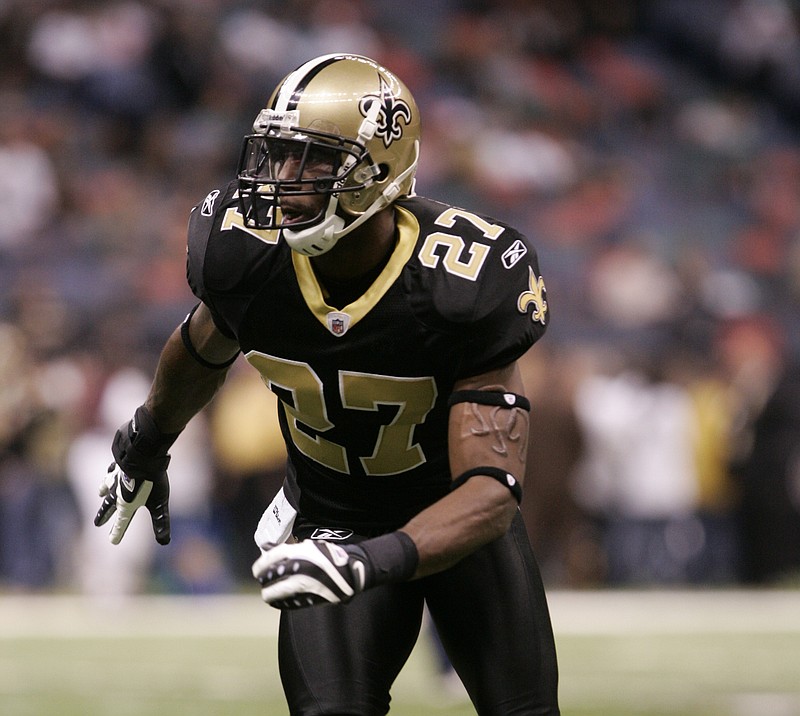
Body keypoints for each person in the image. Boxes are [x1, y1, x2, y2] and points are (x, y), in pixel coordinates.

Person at [94, 53, 559, 715]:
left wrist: (375, 563)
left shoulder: (463, 282)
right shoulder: (246, 257)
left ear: (380, 169)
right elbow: (201, 347)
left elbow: (490, 492)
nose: (284, 179)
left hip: (458, 528)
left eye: (313, 160)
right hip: (331, 522)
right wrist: (146, 439)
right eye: (278, 155)